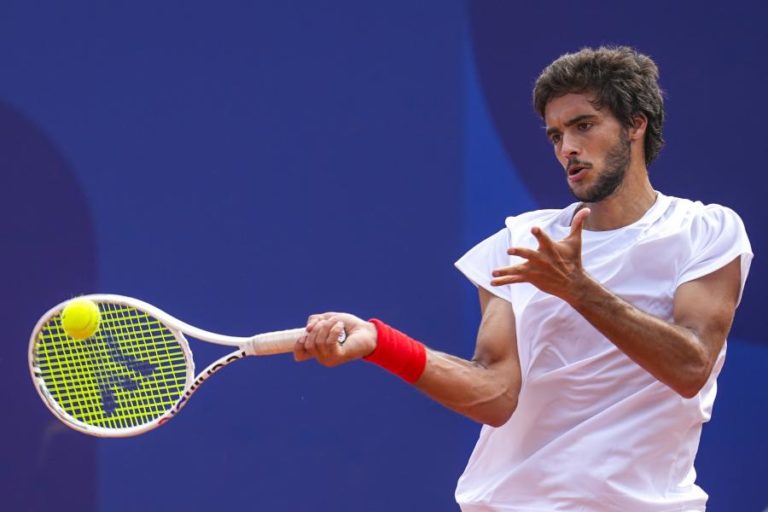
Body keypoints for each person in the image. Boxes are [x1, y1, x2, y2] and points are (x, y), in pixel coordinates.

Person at [293, 46, 753, 511]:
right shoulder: (520, 241)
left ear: (635, 124)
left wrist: (579, 290)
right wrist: (379, 342)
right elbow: (495, 395)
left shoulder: (706, 230)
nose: (566, 148)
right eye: (556, 135)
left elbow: (690, 368)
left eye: (583, 126)